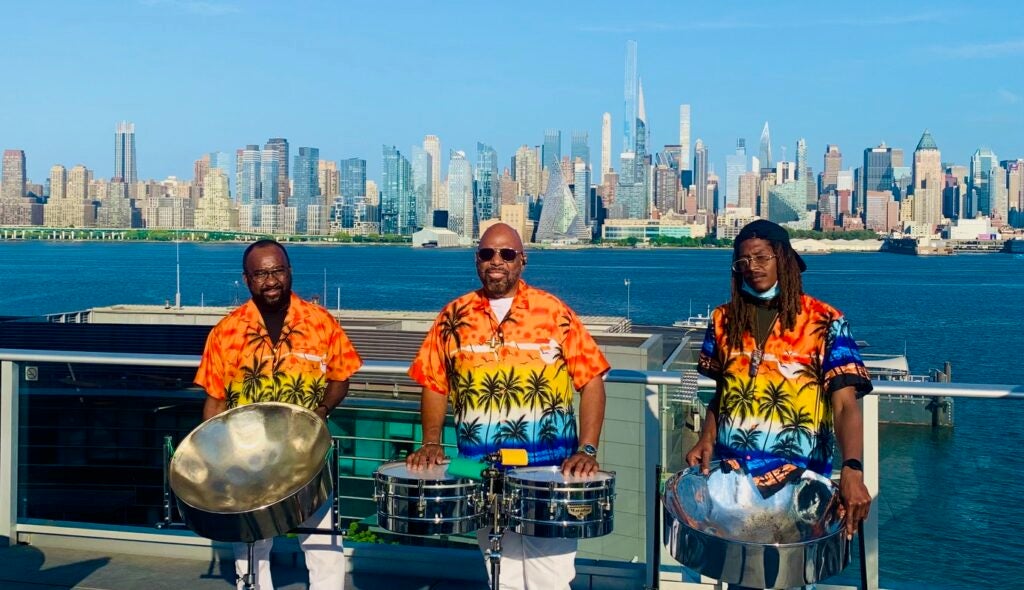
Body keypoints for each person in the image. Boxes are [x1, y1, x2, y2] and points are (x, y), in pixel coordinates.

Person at [406, 223, 609, 590]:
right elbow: (434, 382)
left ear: (522, 260)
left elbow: (591, 379)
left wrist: (587, 448)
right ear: (477, 260)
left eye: (507, 254)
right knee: (502, 576)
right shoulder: (453, 316)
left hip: (549, 471)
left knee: (550, 578)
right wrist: (431, 441)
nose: (496, 261)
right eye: (487, 254)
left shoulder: (554, 312)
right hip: (479, 470)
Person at [686, 219, 872, 547]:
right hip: (733, 478)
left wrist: (852, 467)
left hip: (800, 482)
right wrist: (706, 437)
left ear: (783, 259)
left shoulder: (825, 321)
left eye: (761, 257)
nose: (751, 267)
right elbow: (723, 393)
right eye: (743, 261)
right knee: (736, 567)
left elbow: (844, 405)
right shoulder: (722, 320)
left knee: (790, 570)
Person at [195, 239, 362, 590]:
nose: (270, 280)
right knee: (251, 546)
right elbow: (215, 399)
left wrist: (321, 412)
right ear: (247, 279)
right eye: (260, 274)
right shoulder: (225, 332)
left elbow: (340, 377)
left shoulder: (320, 322)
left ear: (289, 272)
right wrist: (210, 459)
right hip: (247, 458)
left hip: (306, 454)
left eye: (277, 271)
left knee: (324, 544)